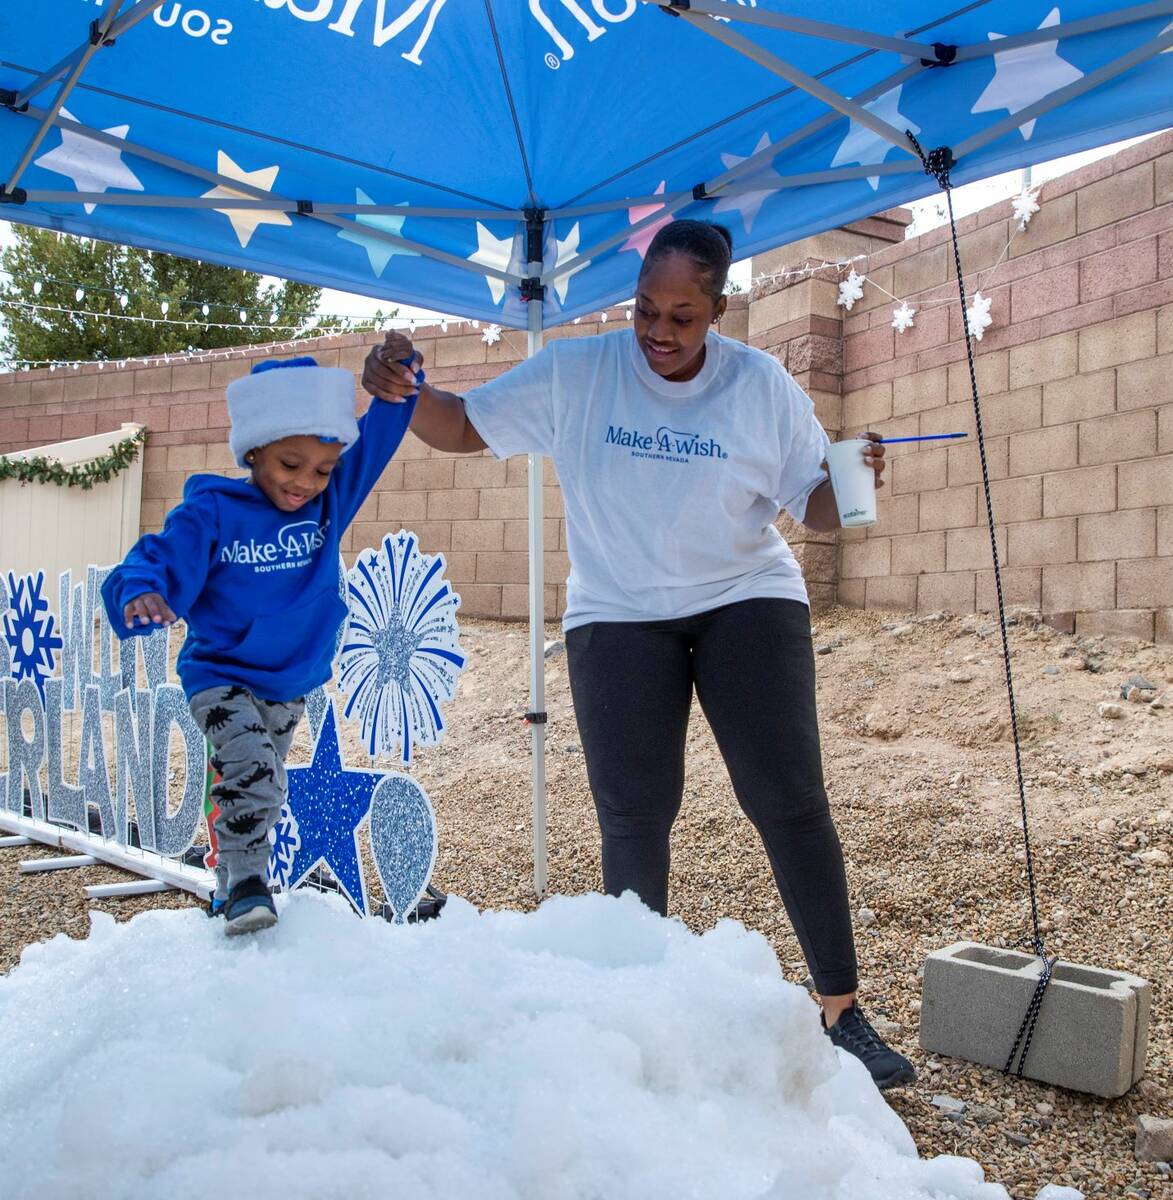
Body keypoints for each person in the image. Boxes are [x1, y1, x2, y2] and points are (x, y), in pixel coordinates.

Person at [362, 220, 915, 1091]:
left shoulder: (759, 384)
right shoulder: (580, 373)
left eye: (682, 317)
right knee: (633, 811)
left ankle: (842, 1014)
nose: (659, 333)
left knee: (787, 798)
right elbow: (462, 427)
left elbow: (813, 509)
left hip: (745, 597)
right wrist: (399, 391)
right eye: (645, 312)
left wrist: (854, 483)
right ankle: (639, 1010)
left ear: (718, 310)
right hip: (617, 610)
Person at [101, 355, 419, 935]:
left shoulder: (328, 503)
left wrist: (397, 385)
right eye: (290, 464)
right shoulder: (214, 511)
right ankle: (250, 884)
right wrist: (142, 592)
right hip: (220, 673)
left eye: (323, 470)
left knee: (256, 782)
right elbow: (158, 555)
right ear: (253, 451)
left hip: (289, 680)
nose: (305, 483)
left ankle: (228, 889)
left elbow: (376, 439)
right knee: (252, 766)